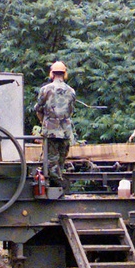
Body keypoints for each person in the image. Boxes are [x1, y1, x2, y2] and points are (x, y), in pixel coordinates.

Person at [33, 61, 76, 189]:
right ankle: (59, 187)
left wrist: (43, 122)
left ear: (51, 73)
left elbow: (38, 108)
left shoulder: (45, 90)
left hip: (51, 132)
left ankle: (58, 187)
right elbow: (71, 111)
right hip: (65, 132)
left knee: (51, 163)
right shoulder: (71, 91)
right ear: (65, 74)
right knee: (60, 163)